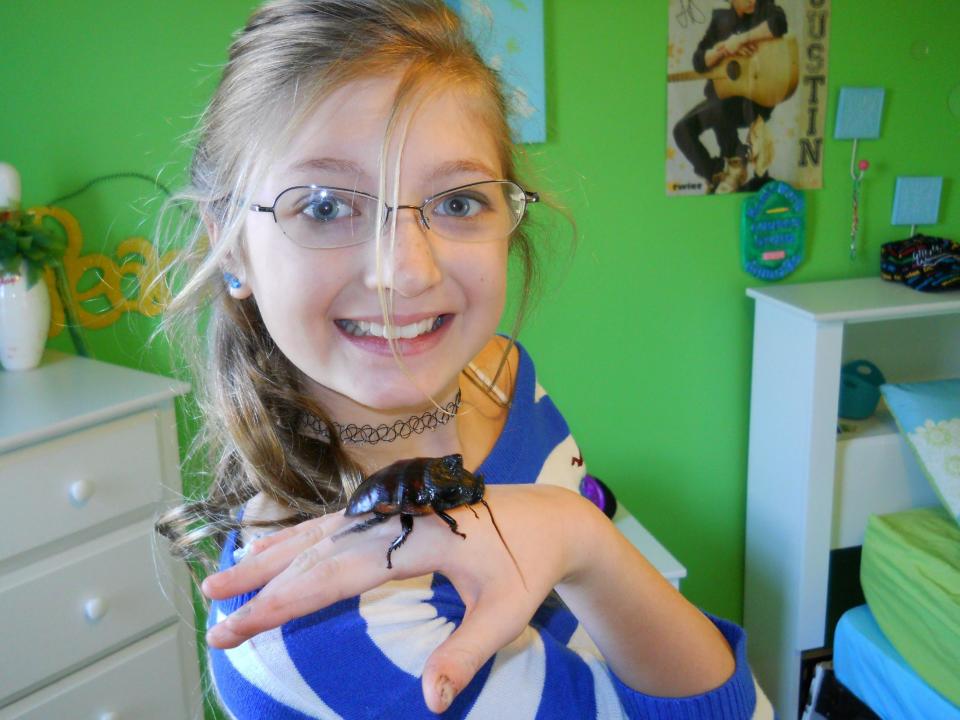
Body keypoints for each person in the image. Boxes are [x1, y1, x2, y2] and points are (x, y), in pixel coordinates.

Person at [155, 1, 771, 717]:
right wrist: (585, 543)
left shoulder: (498, 374)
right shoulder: (317, 631)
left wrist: (577, 539)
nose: (405, 272)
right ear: (230, 245)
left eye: (456, 202)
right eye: (324, 206)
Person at [672, 0, 788, 194]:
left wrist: (741, 39)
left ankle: (736, 158)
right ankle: (718, 172)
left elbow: (778, 24)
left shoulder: (765, 10)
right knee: (682, 130)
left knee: (719, 107)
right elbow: (699, 61)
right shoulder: (720, 19)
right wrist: (723, 49)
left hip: (756, 98)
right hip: (723, 98)